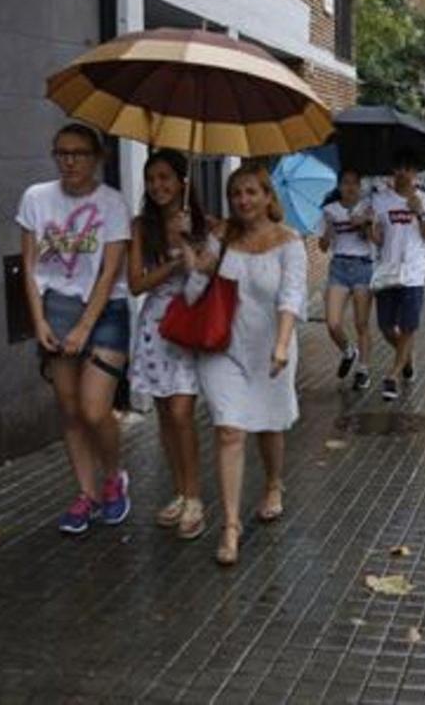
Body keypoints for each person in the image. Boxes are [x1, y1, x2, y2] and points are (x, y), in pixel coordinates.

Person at [182, 162, 306, 566]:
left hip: (272, 348)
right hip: (224, 349)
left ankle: (273, 483)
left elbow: (291, 297)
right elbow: (192, 295)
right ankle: (231, 526)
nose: (243, 200)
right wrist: (198, 265)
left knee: (269, 426)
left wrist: (283, 343)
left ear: (268, 196)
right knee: (230, 431)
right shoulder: (223, 237)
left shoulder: (290, 243)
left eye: (251, 191)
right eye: (236, 193)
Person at [17, 124, 132, 534]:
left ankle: (114, 476)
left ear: (97, 158)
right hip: (56, 307)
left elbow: (110, 271)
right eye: (61, 152)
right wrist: (40, 321)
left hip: (106, 310)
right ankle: (86, 493)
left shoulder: (113, 203)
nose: (69, 161)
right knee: (69, 411)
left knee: (94, 408)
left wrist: (85, 326)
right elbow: (28, 267)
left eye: (79, 153)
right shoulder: (36, 198)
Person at [128, 149, 208, 539]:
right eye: (151, 179)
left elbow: (207, 280)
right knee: (164, 416)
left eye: (165, 178)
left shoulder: (202, 224)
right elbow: (135, 284)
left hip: (190, 326)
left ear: (181, 182)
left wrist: (191, 244)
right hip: (155, 329)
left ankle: (194, 497)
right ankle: (178, 491)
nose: (158, 186)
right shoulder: (141, 226)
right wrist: (172, 262)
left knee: (181, 414)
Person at [369, 149, 425, 402]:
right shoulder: (380, 200)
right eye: (398, 167)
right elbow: (378, 240)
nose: (403, 173)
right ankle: (407, 358)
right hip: (388, 271)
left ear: (415, 172)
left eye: (408, 168)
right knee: (386, 326)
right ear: (393, 171)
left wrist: (420, 212)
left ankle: (392, 375)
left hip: (413, 274)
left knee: (409, 325)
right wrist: (370, 227)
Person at [319, 169, 374, 391]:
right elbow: (322, 248)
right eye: (345, 183)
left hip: (362, 266)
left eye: (354, 183)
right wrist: (328, 232)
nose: (350, 187)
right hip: (339, 267)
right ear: (339, 185)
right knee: (332, 323)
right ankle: (348, 351)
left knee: (361, 323)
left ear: (360, 186)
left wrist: (364, 224)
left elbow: (374, 240)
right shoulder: (329, 210)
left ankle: (363, 370)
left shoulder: (368, 207)